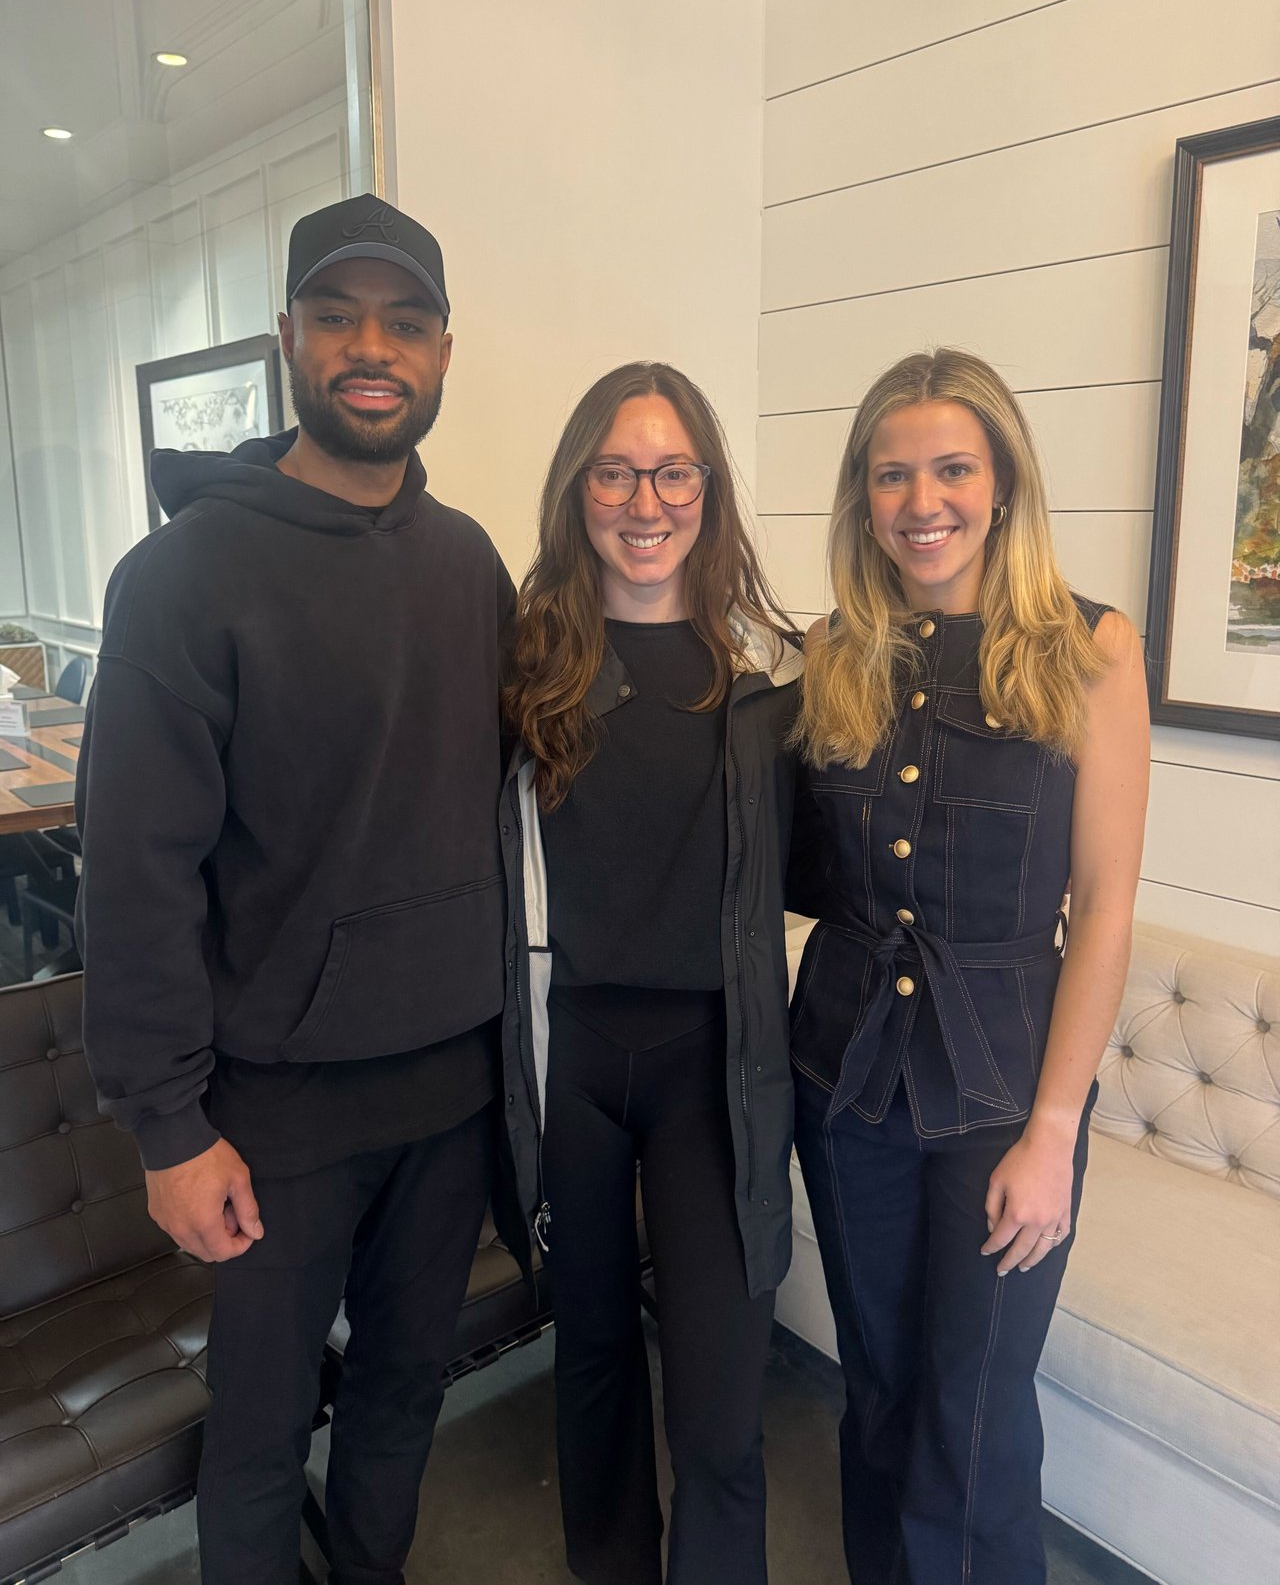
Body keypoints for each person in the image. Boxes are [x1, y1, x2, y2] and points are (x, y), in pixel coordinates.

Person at [76, 194, 514, 1585]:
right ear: (288, 339)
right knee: (261, 1433)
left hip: (451, 1092)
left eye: (404, 322)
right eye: (338, 317)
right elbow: (134, 873)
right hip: (274, 1114)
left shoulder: (473, 564)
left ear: (443, 351)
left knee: (402, 1391)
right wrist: (167, 1126)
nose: (371, 348)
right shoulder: (181, 578)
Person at [788, 349, 1149, 1585]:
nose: (920, 500)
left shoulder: (1089, 647)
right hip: (843, 1083)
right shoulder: (831, 649)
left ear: (1001, 484)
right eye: (891, 474)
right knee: (879, 1390)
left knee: (975, 1418)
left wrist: (1052, 1129)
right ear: (862, 493)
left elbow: (1102, 907)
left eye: (950, 468)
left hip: (1006, 1096)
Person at [500, 362, 802, 1585]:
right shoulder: (522, 663)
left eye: (673, 472)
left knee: (720, 1397)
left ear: (707, 487)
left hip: (711, 1066)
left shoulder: (769, 670)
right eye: (615, 472)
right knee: (590, 1364)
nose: (645, 501)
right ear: (576, 487)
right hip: (567, 1054)